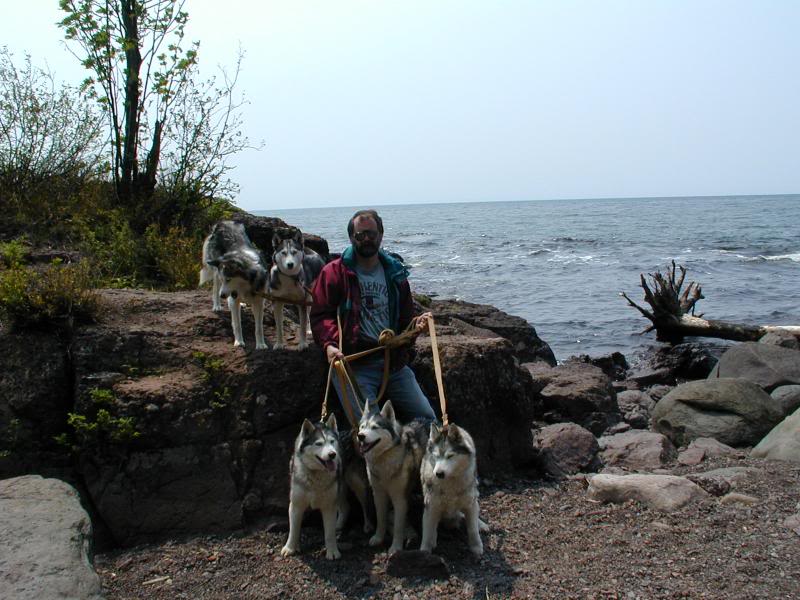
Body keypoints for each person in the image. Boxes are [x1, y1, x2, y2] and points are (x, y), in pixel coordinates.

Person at [310, 209, 436, 425]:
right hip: (353, 365)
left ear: (381, 234)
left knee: (428, 419)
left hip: (393, 364)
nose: (367, 238)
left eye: (371, 233)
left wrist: (417, 326)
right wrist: (329, 345)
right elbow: (321, 315)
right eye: (360, 235)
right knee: (374, 431)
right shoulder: (334, 273)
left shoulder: (395, 273)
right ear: (351, 238)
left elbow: (406, 320)